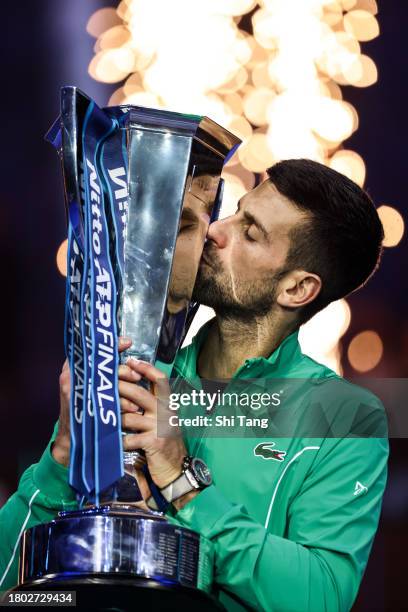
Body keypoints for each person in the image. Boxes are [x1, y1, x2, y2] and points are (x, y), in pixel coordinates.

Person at [0, 159, 388, 611]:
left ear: (297, 289)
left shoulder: (345, 417)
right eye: (236, 213)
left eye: (250, 233)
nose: (215, 231)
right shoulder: (135, 367)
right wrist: (62, 457)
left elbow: (319, 598)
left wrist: (184, 486)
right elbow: (14, 583)